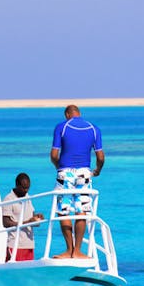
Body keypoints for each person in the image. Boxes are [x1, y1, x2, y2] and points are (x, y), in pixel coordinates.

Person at [49, 104, 105, 259]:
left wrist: (59, 167)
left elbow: (54, 154)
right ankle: (78, 251)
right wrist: (97, 171)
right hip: (84, 173)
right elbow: (100, 157)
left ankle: (69, 250)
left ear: (67, 115)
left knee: (63, 210)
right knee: (82, 210)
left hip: (65, 172)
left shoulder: (62, 127)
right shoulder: (94, 129)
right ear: (79, 114)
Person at [1, 173, 43, 261]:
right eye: (23, 187)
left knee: (28, 273)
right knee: (13, 273)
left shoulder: (28, 197)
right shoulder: (9, 199)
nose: (26, 190)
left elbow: (31, 217)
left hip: (29, 244)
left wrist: (37, 217)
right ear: (17, 185)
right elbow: (6, 223)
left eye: (28, 187)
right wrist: (27, 222)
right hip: (15, 245)